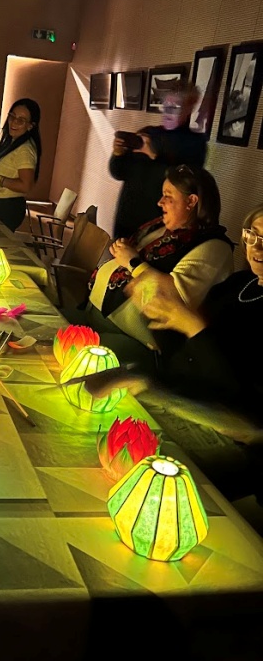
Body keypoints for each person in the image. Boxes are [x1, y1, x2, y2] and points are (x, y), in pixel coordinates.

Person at [124, 203, 263, 502]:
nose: (257, 248)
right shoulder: (239, 284)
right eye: (252, 235)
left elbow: (242, 398)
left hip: (233, 438)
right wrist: (157, 309)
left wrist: (193, 326)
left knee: (132, 467)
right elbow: (187, 352)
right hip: (189, 401)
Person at [63, 165, 234, 365]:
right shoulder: (160, 227)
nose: (160, 202)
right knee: (41, 324)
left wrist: (133, 262)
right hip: (94, 315)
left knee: (67, 355)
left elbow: (175, 298)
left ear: (191, 201)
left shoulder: (214, 247)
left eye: (168, 196)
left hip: (134, 339)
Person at [110, 81, 207, 238]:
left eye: (175, 107)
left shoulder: (195, 144)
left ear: (189, 108)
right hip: (125, 219)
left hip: (159, 222)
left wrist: (153, 156)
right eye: (165, 106)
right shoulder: (148, 133)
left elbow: (186, 185)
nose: (167, 112)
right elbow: (118, 173)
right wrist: (117, 154)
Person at [0, 98, 42, 232]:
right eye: (12, 116)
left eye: (21, 120)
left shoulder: (24, 149)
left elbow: (26, 185)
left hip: (6, 206)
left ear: (30, 126)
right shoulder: (12, 142)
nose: (14, 122)